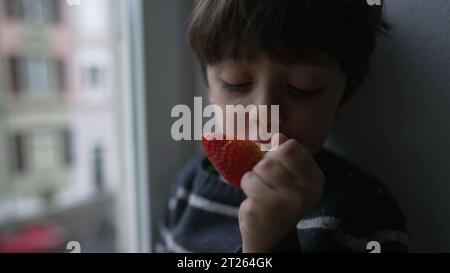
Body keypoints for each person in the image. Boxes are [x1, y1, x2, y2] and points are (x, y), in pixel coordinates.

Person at [157, 0, 409, 253]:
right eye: (236, 83)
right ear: (209, 90)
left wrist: (270, 244)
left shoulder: (365, 216)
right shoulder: (187, 189)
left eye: (302, 88)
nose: (266, 113)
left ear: (343, 100)